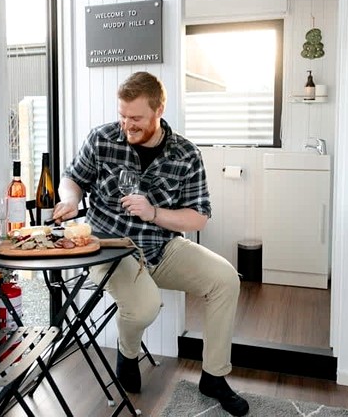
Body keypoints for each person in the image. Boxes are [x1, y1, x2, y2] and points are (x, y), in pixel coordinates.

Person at [52, 71, 249, 416]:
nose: (127, 125)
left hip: (162, 246)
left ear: (159, 110)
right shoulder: (102, 139)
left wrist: (155, 213)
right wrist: (69, 200)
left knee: (225, 280)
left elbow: (199, 216)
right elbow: (72, 178)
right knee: (145, 306)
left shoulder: (185, 154)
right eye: (122, 115)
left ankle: (214, 376)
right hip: (111, 245)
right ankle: (127, 354)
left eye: (137, 118)